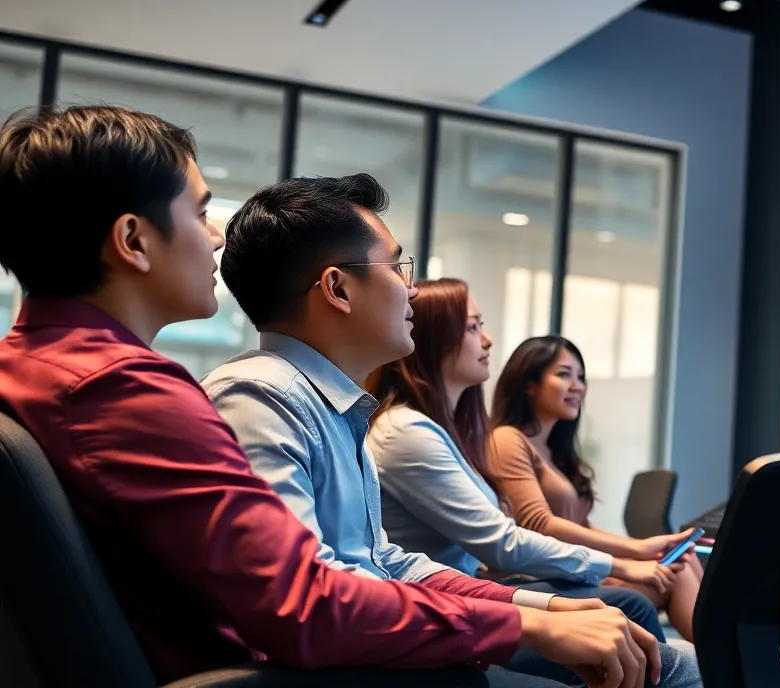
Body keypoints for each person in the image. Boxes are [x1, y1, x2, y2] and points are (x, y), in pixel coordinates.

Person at [0, 106, 666, 688]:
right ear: (133, 241)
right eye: (201, 212)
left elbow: (366, 564)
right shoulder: (129, 390)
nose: (216, 235)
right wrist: (525, 628)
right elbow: (303, 609)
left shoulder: (35, 365)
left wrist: (530, 614)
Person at [201, 174, 696, 688]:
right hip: (346, 670)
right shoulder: (259, 398)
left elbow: (385, 561)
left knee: (665, 656)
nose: (411, 288)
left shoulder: (335, 407)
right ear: (338, 289)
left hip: (380, 653)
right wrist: (527, 624)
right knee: (677, 668)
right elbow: (308, 601)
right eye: (396, 266)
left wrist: (540, 607)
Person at [365, 278, 694, 638]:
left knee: (671, 574)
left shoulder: (440, 432)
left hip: (467, 591)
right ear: (435, 339)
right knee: (633, 604)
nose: (487, 340)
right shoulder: (408, 432)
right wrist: (624, 561)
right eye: (473, 327)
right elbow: (507, 540)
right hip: (448, 609)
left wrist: (628, 557)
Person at [486, 337, 703, 642]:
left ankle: (733, 658)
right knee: (678, 572)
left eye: (580, 377)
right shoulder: (508, 439)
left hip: (569, 573)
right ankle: (728, 664)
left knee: (683, 557)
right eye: (564, 374)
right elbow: (539, 525)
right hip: (539, 585)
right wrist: (635, 552)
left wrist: (645, 548)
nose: (577, 386)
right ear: (529, 384)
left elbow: (581, 527)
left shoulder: (553, 453)